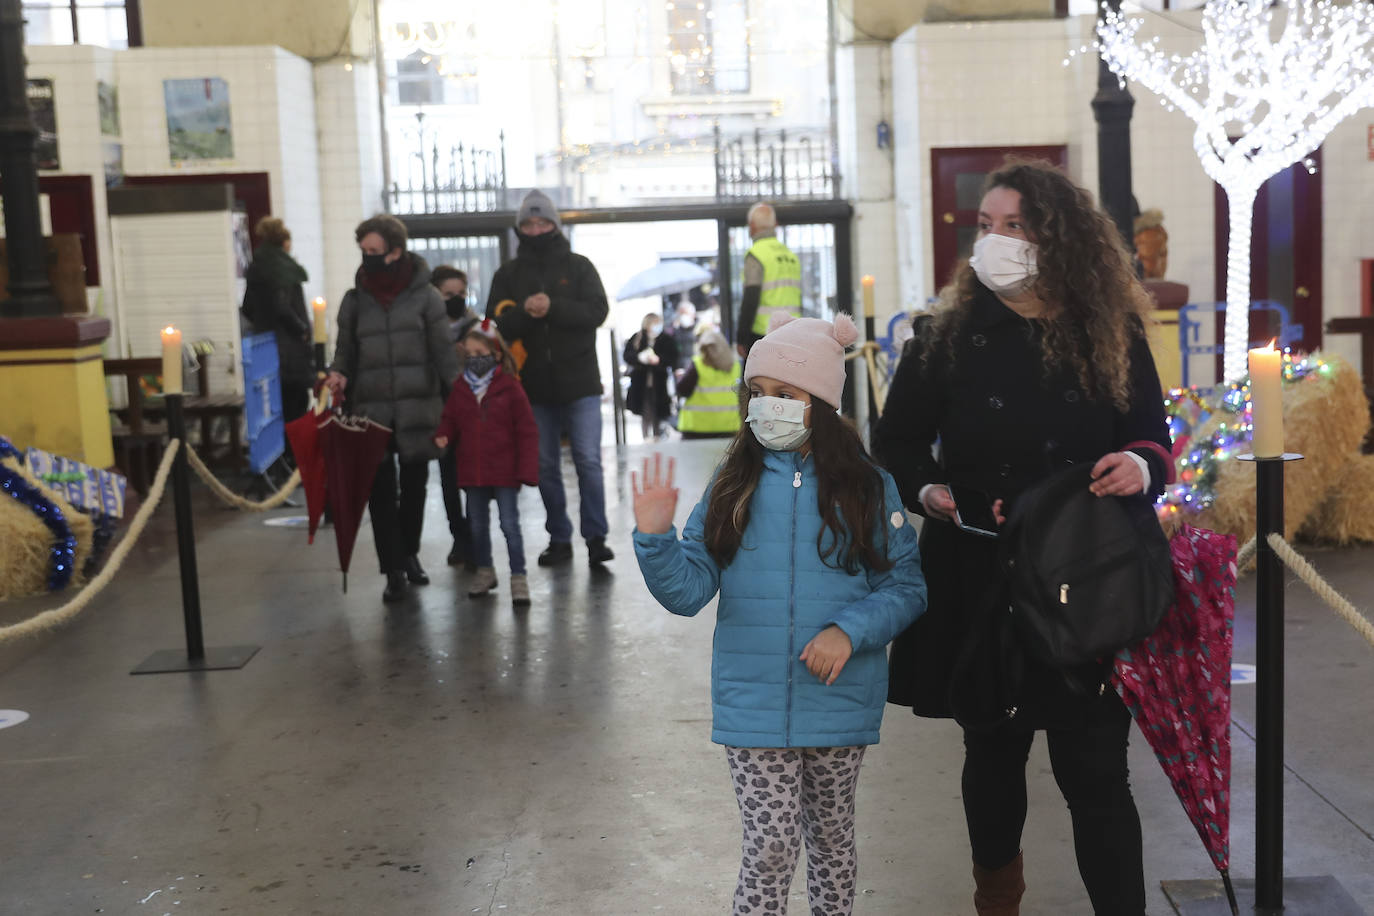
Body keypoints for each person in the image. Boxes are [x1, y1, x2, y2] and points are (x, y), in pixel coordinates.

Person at [873, 160, 1172, 916]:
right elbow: (898, 443)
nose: (996, 240)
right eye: (986, 226)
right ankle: (996, 898)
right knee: (993, 752)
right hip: (984, 575)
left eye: (1015, 227)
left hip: (1086, 580)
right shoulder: (945, 336)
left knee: (1097, 769)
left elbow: (1152, 442)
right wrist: (930, 491)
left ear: (1056, 238)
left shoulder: (1108, 330)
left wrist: (1139, 467)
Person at [632, 313, 927, 916]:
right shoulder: (732, 482)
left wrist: (849, 631)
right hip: (753, 702)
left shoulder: (868, 487)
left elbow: (906, 586)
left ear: (819, 401)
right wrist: (656, 539)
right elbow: (688, 592)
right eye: (758, 394)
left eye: (785, 395)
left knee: (832, 839)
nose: (767, 407)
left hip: (838, 696)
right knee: (768, 846)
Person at [325, 214, 459, 603]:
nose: (366, 258)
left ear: (395, 251)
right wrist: (338, 373)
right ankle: (394, 569)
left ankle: (410, 553)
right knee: (380, 491)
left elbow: (443, 354)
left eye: (374, 251)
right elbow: (345, 351)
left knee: (415, 485)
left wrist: (461, 401)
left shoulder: (426, 298)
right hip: (371, 409)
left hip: (419, 407)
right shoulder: (355, 300)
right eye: (363, 251)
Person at [487, 189, 613, 568]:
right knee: (544, 466)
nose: (536, 228)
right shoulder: (507, 275)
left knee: (588, 461)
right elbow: (499, 325)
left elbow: (597, 311)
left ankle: (596, 537)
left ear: (555, 225)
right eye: (529, 222)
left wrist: (553, 307)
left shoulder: (579, 266)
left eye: (543, 222)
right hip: (533, 388)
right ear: (520, 227)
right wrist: (526, 312)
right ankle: (559, 537)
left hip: (581, 384)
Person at [433, 319, 539, 605]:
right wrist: (443, 435)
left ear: (497, 355)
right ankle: (485, 570)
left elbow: (527, 431)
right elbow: (450, 419)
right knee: (477, 526)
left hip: (504, 471)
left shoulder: (510, 389)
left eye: (481, 355)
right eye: (470, 356)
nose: (475, 361)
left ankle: (518, 576)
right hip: (472, 471)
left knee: (510, 525)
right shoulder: (460, 388)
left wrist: (527, 470)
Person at [431, 265, 480, 569]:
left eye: (460, 293)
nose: (456, 299)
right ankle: (458, 536)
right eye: (448, 295)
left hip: (473, 413)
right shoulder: (427, 328)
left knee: (473, 478)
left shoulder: (478, 327)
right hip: (439, 410)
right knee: (448, 476)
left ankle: (474, 536)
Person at [241, 216, 312, 425]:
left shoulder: (257, 266)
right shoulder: (282, 269)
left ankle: (282, 453)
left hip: (266, 346)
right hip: (289, 349)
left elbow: (247, 308)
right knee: (296, 403)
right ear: (284, 242)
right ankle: (293, 454)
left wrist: (263, 324)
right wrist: (302, 329)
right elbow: (283, 307)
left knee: (274, 405)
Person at [735, 202, 801, 357]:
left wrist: (741, 338)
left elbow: (751, 298)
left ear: (751, 226)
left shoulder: (756, 254)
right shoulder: (790, 255)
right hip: (792, 332)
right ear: (775, 225)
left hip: (763, 335)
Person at [675, 329, 741, 439]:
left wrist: (680, 377)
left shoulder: (698, 365)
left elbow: (682, 390)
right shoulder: (735, 366)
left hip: (696, 429)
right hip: (729, 429)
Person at [624, 311, 678, 442]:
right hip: (641, 382)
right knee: (645, 410)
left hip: (659, 382)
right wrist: (640, 358)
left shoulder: (666, 339)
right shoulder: (637, 338)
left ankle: (657, 436)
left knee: (658, 411)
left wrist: (659, 360)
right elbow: (628, 355)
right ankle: (646, 438)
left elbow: (673, 357)